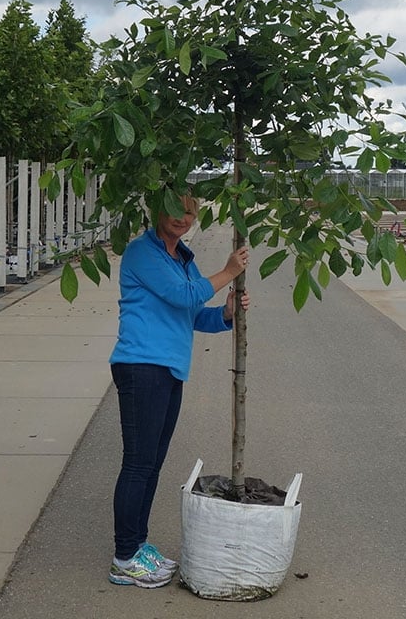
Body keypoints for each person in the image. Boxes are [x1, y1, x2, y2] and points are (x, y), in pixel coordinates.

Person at [107, 193, 250, 589]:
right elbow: (186, 295)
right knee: (138, 463)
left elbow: (192, 313)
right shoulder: (142, 253)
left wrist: (225, 313)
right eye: (174, 210)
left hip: (168, 369)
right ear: (158, 210)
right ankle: (124, 557)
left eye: (189, 212)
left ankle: (137, 545)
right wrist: (229, 271)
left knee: (151, 463)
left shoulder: (182, 258)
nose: (182, 219)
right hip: (142, 366)